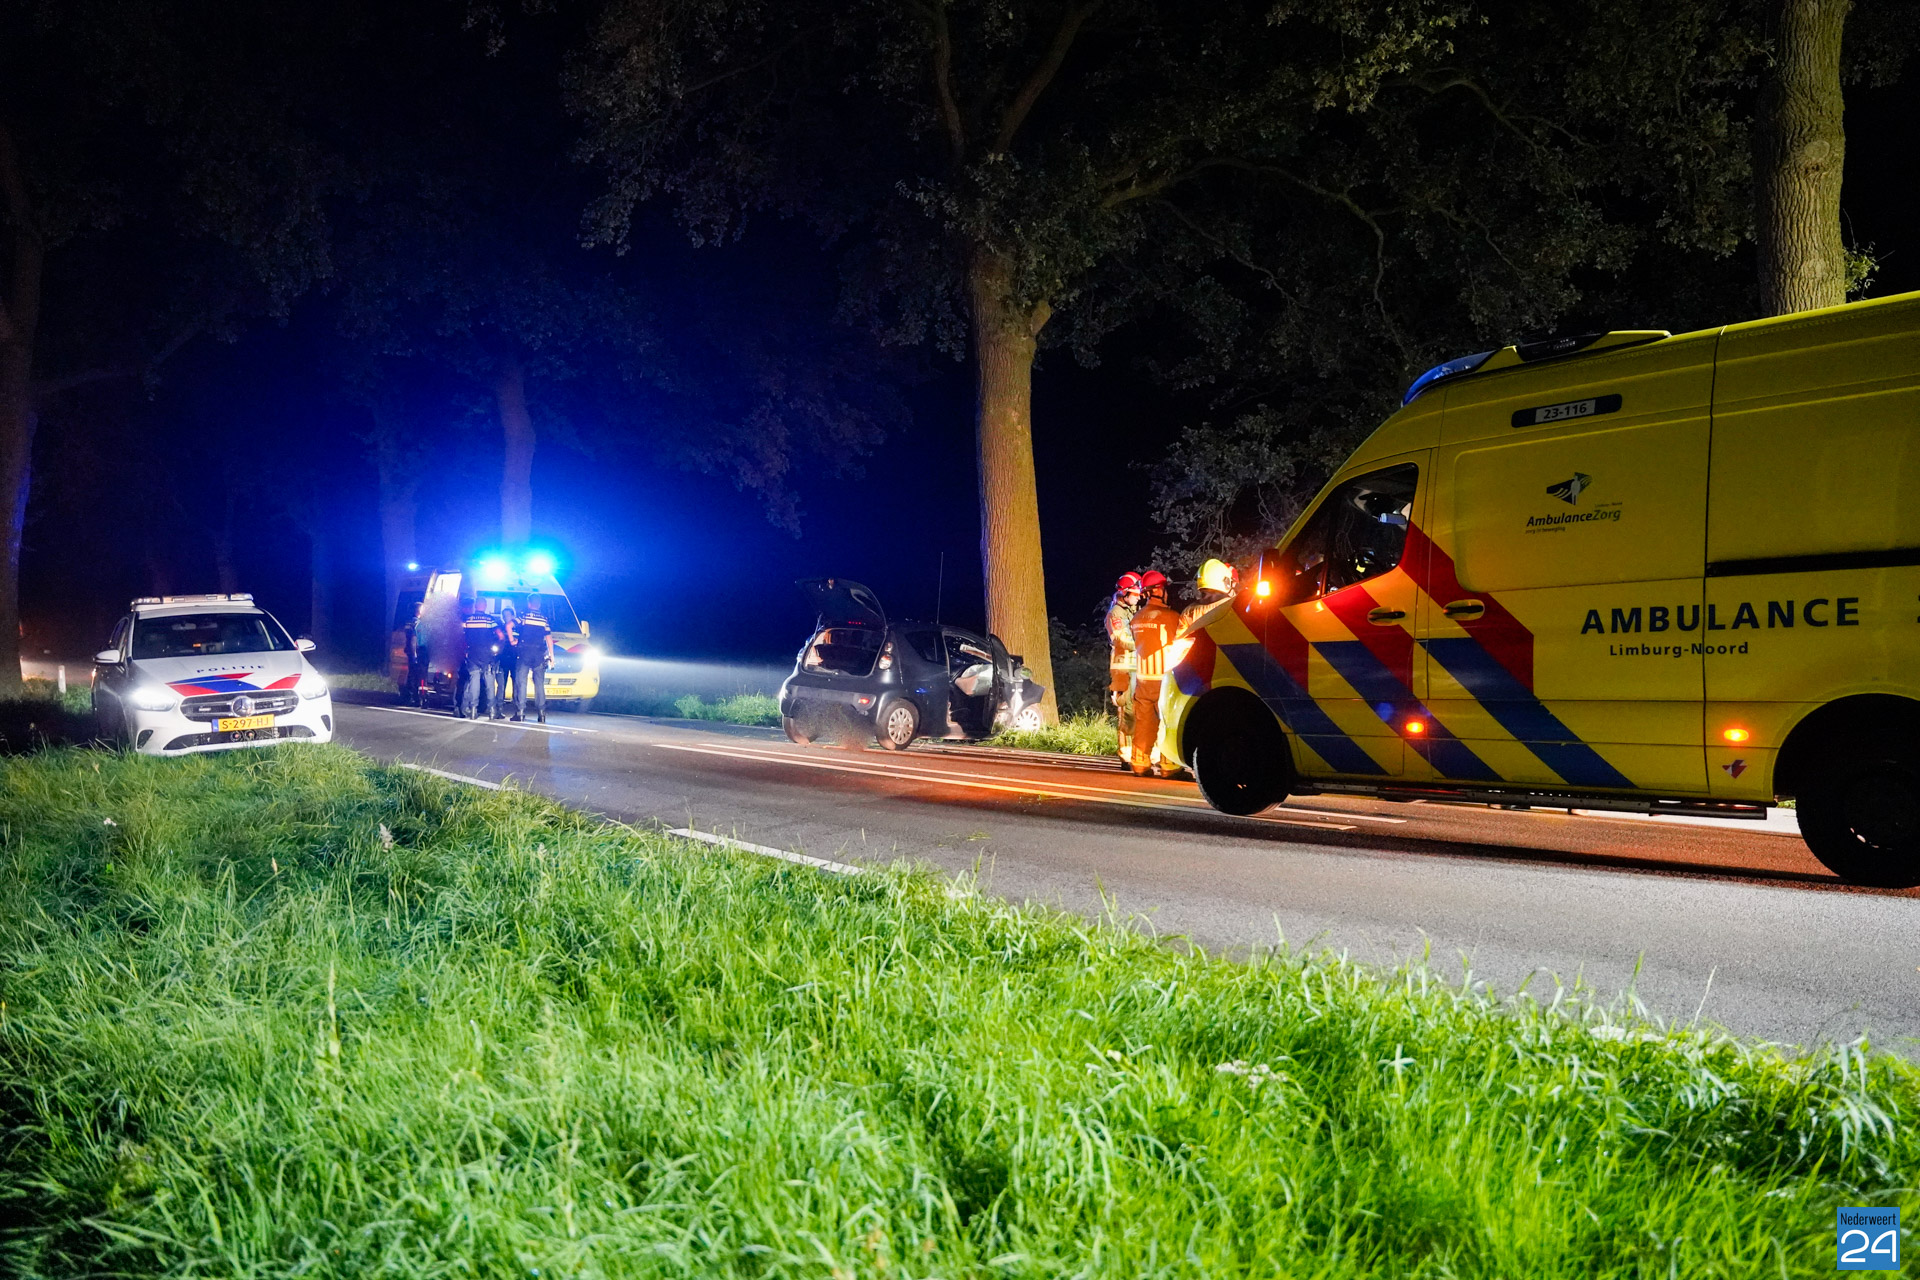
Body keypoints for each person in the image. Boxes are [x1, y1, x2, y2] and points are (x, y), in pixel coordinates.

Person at [1127, 570, 1181, 777]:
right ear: (1158, 590)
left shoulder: (1136, 619)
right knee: (1168, 721)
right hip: (1165, 678)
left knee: (1144, 722)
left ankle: (1140, 763)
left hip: (1143, 679)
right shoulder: (1171, 617)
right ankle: (1169, 766)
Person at [1104, 572, 1143, 763]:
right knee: (1126, 711)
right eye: (1134, 594)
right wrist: (1144, 642)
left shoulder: (1132, 612)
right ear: (1124, 593)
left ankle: (1138, 753)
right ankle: (1126, 756)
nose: (1138, 597)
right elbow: (1121, 639)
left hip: (1137, 667)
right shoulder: (1115, 615)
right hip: (1123, 670)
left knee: (1138, 710)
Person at [457, 596, 504, 719]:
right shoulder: (490, 620)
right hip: (487, 655)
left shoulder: (468, 619)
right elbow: (500, 635)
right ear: (485, 606)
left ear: (476, 606)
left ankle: (473, 710)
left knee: (474, 681)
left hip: (472, 654)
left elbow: (460, 634)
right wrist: (497, 650)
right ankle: (492, 710)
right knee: (489, 683)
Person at [512, 592, 554, 723]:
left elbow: (509, 625)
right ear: (539, 604)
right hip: (539, 654)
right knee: (539, 683)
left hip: (524, 652)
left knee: (521, 682)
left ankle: (521, 712)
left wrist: (512, 640)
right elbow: (549, 638)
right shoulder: (544, 619)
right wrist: (552, 656)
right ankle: (542, 714)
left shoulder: (523, 616)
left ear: (529, 603)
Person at [491, 604, 519, 720]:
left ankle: (517, 711)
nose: (506, 617)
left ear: (513, 616)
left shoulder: (518, 628)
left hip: (516, 661)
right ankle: (499, 710)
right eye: (504, 615)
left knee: (516, 686)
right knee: (501, 686)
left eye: (508, 615)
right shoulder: (501, 628)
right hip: (502, 661)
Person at [401, 601, 427, 706]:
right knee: (418, 676)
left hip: (410, 651)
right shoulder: (418, 624)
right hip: (416, 652)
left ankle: (410, 696)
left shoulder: (409, 622)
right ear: (419, 611)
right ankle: (417, 698)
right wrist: (415, 654)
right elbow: (414, 639)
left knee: (411, 674)